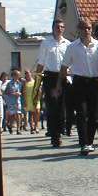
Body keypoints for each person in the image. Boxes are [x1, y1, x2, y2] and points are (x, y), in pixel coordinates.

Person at [55, 18, 98, 155]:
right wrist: (59, 85)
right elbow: (64, 67)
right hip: (79, 82)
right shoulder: (72, 47)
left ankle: (90, 142)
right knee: (81, 113)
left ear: (91, 29)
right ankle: (83, 143)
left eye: (89, 28)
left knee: (93, 115)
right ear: (79, 30)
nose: (86, 31)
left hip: (95, 82)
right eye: (83, 28)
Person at [36, 19, 71, 147]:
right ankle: (54, 135)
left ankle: (60, 130)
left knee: (62, 107)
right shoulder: (46, 43)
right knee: (52, 107)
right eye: (57, 27)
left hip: (64, 76)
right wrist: (37, 83)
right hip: (50, 76)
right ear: (53, 28)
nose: (59, 29)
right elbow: (41, 63)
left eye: (61, 27)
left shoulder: (68, 44)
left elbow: (71, 62)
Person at [5, 70, 23, 134]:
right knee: (12, 115)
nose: (19, 76)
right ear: (14, 76)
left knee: (18, 114)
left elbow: (21, 91)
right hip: (11, 101)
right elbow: (6, 92)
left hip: (17, 101)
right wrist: (13, 94)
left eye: (19, 75)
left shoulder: (19, 83)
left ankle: (18, 129)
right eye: (17, 75)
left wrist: (20, 93)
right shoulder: (9, 83)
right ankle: (9, 125)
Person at [23, 69, 41, 134]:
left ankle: (36, 126)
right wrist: (25, 101)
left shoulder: (35, 81)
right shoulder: (25, 83)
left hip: (35, 99)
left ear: (30, 74)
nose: (27, 74)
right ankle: (32, 128)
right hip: (29, 100)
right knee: (31, 114)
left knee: (37, 112)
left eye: (28, 73)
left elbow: (39, 90)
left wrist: (38, 97)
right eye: (26, 73)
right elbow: (24, 92)